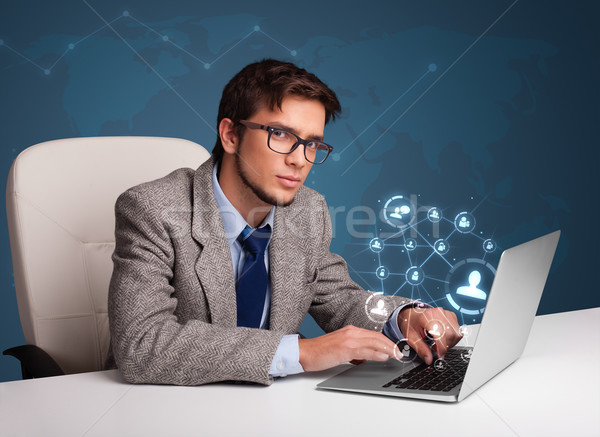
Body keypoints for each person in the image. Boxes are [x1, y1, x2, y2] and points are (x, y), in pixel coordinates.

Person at [106, 59, 461, 386]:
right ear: (230, 135)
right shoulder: (153, 209)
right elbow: (141, 344)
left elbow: (339, 298)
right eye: (281, 135)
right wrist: (301, 353)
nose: (300, 160)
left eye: (312, 144)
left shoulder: (308, 210)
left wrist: (404, 316)